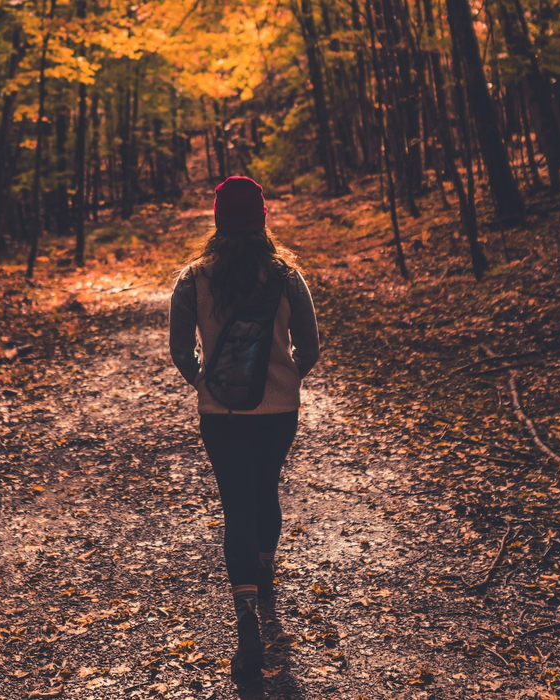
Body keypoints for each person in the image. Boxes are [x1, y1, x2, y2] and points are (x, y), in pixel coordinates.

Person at [169, 176, 320, 681]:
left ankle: (247, 616)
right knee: (266, 491)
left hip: (221, 413)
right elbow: (311, 345)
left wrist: (206, 382)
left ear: (216, 220)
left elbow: (177, 350)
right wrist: (285, 376)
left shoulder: (192, 278)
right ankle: (264, 573)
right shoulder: (286, 276)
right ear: (262, 217)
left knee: (237, 503)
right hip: (279, 409)